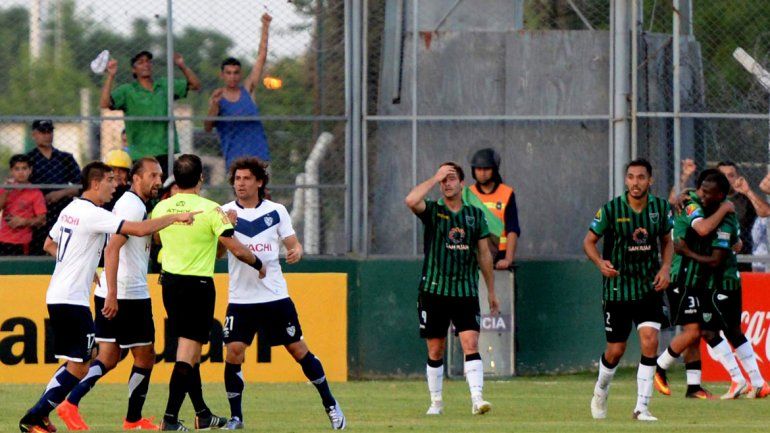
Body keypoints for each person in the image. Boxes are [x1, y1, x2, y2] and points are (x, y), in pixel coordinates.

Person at [18, 161, 199, 433]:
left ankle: (42, 415)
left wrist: (81, 266)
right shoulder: (93, 213)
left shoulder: (72, 209)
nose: (114, 185)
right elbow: (135, 231)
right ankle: (35, 416)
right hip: (74, 299)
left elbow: (49, 243)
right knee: (81, 364)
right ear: (95, 183)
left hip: (62, 294)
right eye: (110, 180)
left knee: (85, 359)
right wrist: (175, 217)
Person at [219, 157, 346, 430]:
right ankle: (236, 417)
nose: (240, 184)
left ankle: (331, 404)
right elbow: (218, 252)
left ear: (259, 182)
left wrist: (296, 251)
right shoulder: (225, 211)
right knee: (234, 351)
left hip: (274, 296)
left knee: (298, 349)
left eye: (246, 179)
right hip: (241, 299)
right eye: (237, 179)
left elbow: (293, 243)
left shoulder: (277, 211)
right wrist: (227, 227)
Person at [152, 154, 266, 431]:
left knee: (190, 355)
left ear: (175, 179)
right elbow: (235, 248)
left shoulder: (162, 208)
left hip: (169, 285)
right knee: (187, 354)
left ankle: (202, 414)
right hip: (196, 288)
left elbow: (157, 238)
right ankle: (169, 418)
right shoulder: (211, 209)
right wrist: (259, 263)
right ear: (201, 177)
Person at [54, 158, 165, 431]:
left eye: (160, 176)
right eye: (152, 175)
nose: (158, 181)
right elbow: (112, 248)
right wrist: (113, 293)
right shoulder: (132, 205)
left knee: (109, 356)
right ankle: (133, 419)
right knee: (145, 356)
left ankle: (71, 402)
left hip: (116, 289)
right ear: (136, 179)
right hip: (127, 292)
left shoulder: (135, 204)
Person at [404, 162, 498, 416]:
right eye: (443, 179)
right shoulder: (433, 211)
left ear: (461, 184)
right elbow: (411, 200)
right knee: (436, 348)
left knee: (471, 342)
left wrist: (490, 290)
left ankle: (477, 399)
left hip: (465, 291)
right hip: (434, 290)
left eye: (451, 178)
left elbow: (484, 255)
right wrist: (434, 178)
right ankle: (436, 402)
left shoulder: (475, 216)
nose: (447, 183)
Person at [583, 158, 673, 422]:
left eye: (641, 177)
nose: (636, 183)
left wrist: (666, 268)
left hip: (648, 287)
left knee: (650, 341)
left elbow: (668, 241)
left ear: (650, 180)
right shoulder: (611, 209)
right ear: (626, 180)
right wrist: (600, 262)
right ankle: (601, 389)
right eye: (631, 177)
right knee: (616, 350)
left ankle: (641, 408)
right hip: (617, 289)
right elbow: (588, 242)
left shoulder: (660, 208)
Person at [670, 170, 770, 400]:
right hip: (718, 282)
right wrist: (686, 194)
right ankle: (756, 383)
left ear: (721, 196)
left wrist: (686, 251)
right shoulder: (714, 210)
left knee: (710, 331)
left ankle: (741, 380)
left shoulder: (724, 216)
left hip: (722, 283)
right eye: (701, 191)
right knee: (731, 332)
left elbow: (716, 258)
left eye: (708, 193)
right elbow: (738, 244)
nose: (702, 196)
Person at [653, 170, 737, 400]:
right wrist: (725, 208)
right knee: (695, 330)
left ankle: (693, 386)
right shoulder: (690, 204)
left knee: (694, 331)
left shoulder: (693, 199)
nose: (705, 195)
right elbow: (702, 229)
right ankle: (658, 367)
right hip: (681, 275)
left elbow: (734, 243)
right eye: (703, 190)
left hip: (694, 276)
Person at [99, 50, 202, 168]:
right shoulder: (127, 90)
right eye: (140, 62)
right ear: (134, 69)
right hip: (140, 153)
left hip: (164, 150)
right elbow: (104, 103)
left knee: (167, 185)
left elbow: (195, 85)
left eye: (148, 61)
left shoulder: (163, 85)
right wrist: (111, 75)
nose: (146, 64)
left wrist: (181, 65)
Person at [204, 13, 272, 169]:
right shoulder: (218, 97)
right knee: (240, 192)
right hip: (235, 158)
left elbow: (261, 57)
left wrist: (265, 26)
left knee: (263, 193)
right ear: (222, 75)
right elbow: (207, 127)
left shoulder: (248, 89)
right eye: (228, 73)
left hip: (258, 155)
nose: (232, 77)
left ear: (240, 74)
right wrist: (214, 106)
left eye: (236, 73)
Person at [26, 119, 81, 255]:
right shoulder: (28, 159)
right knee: (37, 250)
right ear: (34, 135)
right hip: (37, 214)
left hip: (62, 212)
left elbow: (81, 186)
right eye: (43, 132)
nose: (47, 135)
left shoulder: (65, 158)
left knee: (65, 250)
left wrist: (60, 193)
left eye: (49, 131)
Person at [465, 148, 520, 269]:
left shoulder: (506, 193)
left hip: (500, 257)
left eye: (486, 169)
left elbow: (512, 229)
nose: (482, 173)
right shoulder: (467, 194)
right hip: (474, 257)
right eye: (478, 169)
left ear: (494, 170)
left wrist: (508, 259)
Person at [716, 161, 770, 270]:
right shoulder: (705, 199)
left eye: (731, 175)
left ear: (738, 178)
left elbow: (765, 211)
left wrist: (747, 191)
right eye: (722, 176)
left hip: (741, 259)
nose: (726, 179)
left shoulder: (746, 200)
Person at [0, 154, 46, 255]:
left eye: (24, 168)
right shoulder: (5, 188)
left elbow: (42, 220)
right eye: (17, 169)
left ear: (30, 170)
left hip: (23, 242)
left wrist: (24, 221)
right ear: (11, 171)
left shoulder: (36, 193)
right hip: (2, 239)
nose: (21, 172)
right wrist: (7, 191)